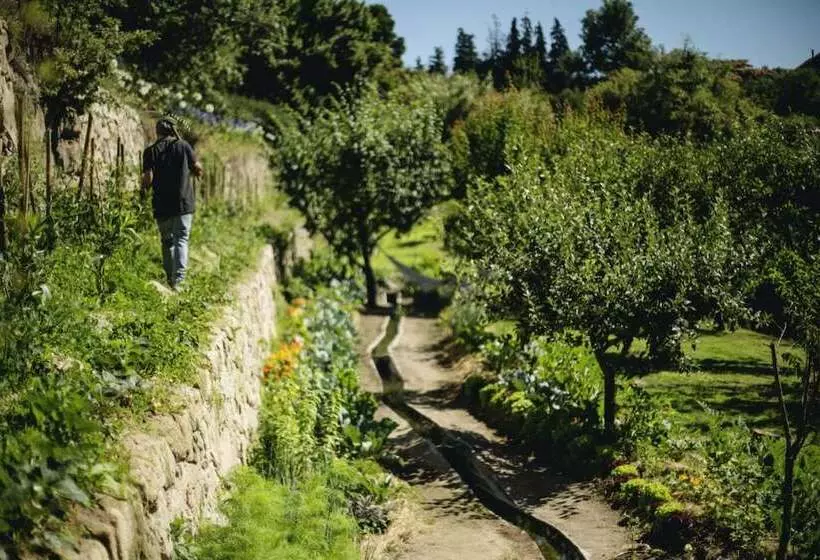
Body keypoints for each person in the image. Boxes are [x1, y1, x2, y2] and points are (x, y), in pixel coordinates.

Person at [141, 117, 203, 290]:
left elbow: (148, 178)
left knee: (167, 241)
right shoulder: (183, 146)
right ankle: (179, 281)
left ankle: (170, 279)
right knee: (181, 240)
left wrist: (143, 191)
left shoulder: (150, 151)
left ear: (157, 131)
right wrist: (197, 171)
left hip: (161, 203)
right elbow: (197, 167)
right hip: (183, 203)